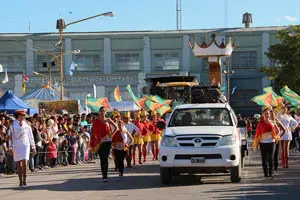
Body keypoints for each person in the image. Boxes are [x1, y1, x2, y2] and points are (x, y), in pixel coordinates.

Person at [8, 110, 36, 187]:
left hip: (25, 145)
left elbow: (31, 136)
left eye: (24, 115)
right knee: (19, 164)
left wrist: (33, 147)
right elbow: (10, 138)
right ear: (18, 116)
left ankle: (25, 180)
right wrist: (10, 147)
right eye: (22, 115)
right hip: (16, 145)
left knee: (24, 163)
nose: (23, 117)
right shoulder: (12, 125)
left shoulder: (27, 125)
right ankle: (20, 181)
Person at [90, 106, 117, 182]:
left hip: (107, 141)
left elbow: (116, 127)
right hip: (99, 141)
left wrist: (111, 134)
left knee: (105, 157)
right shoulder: (96, 121)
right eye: (101, 111)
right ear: (99, 112)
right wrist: (93, 140)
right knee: (102, 158)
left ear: (106, 112)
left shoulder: (108, 120)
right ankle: (103, 175)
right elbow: (93, 131)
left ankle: (105, 174)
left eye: (104, 111)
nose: (102, 112)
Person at [253, 107, 280, 178]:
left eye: (268, 114)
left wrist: (274, 135)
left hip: (271, 142)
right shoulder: (260, 124)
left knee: (271, 158)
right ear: (263, 115)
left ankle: (271, 173)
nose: (267, 115)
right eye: (265, 114)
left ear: (269, 114)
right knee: (264, 159)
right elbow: (257, 134)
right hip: (263, 143)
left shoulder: (272, 122)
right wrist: (258, 142)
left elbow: (278, 131)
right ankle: (265, 173)